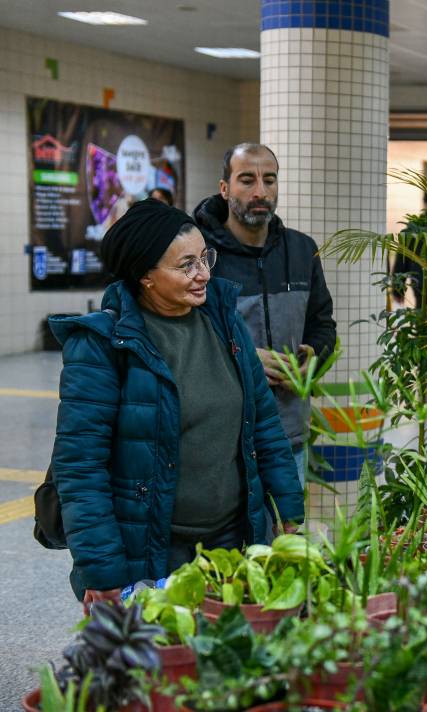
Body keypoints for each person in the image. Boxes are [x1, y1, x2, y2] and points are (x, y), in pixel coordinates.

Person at [49, 199, 304, 612]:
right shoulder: (102, 345)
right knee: (165, 668)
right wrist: (101, 570)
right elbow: (80, 468)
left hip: (232, 541)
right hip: (151, 550)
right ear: (145, 275)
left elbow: (263, 424)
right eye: (186, 265)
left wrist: (289, 509)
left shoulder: (224, 321)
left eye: (205, 258)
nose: (203, 273)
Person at [195, 143, 336, 485]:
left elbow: (323, 325)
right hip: (222, 439)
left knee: (286, 537)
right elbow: (185, 333)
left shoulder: (302, 250)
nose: (260, 191)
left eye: (269, 180)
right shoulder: (199, 254)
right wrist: (242, 357)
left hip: (289, 436)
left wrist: (312, 356)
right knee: (229, 540)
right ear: (225, 188)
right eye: (247, 180)